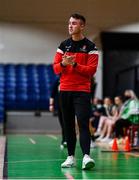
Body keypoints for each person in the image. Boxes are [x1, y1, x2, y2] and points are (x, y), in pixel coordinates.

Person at [53, 13, 99, 170]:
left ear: (82, 26)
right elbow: (55, 68)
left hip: (82, 91)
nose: (70, 26)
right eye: (69, 23)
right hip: (65, 90)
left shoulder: (91, 47)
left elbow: (91, 71)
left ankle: (86, 157)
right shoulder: (62, 45)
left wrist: (74, 65)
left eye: (74, 23)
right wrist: (64, 64)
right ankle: (70, 157)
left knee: (83, 123)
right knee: (68, 126)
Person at [49, 76, 67, 149]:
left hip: (69, 105)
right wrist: (51, 105)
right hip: (60, 106)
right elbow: (52, 94)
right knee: (62, 124)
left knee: (68, 124)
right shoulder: (57, 80)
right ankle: (64, 140)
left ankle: (68, 140)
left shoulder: (69, 79)